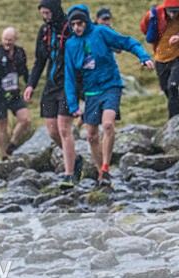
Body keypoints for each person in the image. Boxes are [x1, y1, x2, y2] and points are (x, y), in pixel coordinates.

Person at [64, 5, 154, 186]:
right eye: (73, 25)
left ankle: (105, 165)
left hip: (111, 85)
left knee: (107, 124)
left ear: (86, 22)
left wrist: (143, 56)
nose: (76, 28)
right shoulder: (70, 44)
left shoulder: (101, 32)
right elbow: (69, 77)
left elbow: (127, 42)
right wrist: (73, 105)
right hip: (91, 92)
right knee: (91, 135)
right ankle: (102, 174)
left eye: (79, 23)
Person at [23, 0, 84, 190]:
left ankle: (69, 174)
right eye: (43, 13)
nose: (45, 16)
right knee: (52, 130)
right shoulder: (44, 32)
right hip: (51, 84)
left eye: (48, 12)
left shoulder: (70, 27)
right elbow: (39, 61)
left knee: (64, 128)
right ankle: (75, 159)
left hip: (69, 83)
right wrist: (30, 85)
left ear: (55, 10)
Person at [0, 27, 31, 160]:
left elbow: (24, 71)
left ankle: (12, 144)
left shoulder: (19, 52)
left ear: (15, 40)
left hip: (14, 93)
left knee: (25, 119)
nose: (7, 42)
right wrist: (2, 91)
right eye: (5, 39)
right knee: (3, 125)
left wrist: (30, 85)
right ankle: (3, 156)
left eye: (10, 40)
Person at [141, 0, 179, 118]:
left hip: (177, 56)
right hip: (160, 58)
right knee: (166, 89)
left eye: (176, 12)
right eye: (170, 12)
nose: (173, 15)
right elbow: (144, 28)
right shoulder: (155, 14)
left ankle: (173, 122)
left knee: (172, 86)